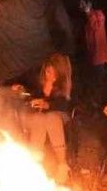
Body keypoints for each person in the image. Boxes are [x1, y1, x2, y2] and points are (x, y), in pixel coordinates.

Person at [18, 52, 74, 180]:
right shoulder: (38, 81)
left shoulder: (65, 85)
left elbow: (65, 104)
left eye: (54, 74)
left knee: (51, 118)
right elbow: (28, 96)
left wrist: (48, 105)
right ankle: (34, 164)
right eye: (48, 72)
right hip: (38, 115)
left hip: (59, 114)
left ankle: (62, 166)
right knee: (39, 119)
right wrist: (24, 93)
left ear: (60, 74)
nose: (50, 76)